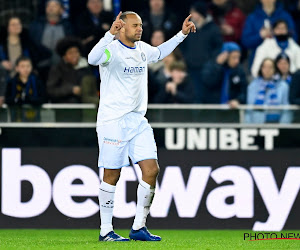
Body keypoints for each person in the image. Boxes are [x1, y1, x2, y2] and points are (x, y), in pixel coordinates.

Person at [88, 11, 196, 241]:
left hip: (137, 120)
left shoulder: (142, 49)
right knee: (112, 174)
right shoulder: (111, 50)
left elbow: (158, 53)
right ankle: (105, 230)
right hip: (113, 121)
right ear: (122, 27)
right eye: (135, 25)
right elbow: (91, 58)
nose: (140, 29)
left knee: (151, 169)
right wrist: (109, 35)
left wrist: (181, 35)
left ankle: (138, 227)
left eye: (141, 25)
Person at [180, 1, 223, 103]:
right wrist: (186, 59)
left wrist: (211, 62)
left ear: (200, 13)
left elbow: (218, 47)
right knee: (193, 97)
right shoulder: (188, 29)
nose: (191, 14)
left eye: (193, 12)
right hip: (191, 69)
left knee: (205, 96)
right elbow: (182, 45)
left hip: (206, 70)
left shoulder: (213, 29)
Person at [241, 0, 297, 66]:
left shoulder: (285, 16)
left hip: (283, 61)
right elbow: (245, 41)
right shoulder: (252, 17)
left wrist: (279, 34)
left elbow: (294, 37)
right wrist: (260, 36)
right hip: (259, 64)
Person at [29, 0, 73, 81]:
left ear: (62, 10)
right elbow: (31, 46)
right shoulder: (36, 25)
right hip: (40, 68)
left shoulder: (68, 26)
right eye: (48, 5)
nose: (51, 8)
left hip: (62, 68)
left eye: (55, 5)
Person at [47, 37, 98, 104]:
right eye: (70, 53)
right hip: (63, 108)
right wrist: (71, 90)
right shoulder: (57, 69)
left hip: (85, 108)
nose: (74, 55)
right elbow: (51, 90)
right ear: (64, 56)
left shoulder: (86, 68)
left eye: (76, 52)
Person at [200, 42, 247, 106]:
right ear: (225, 56)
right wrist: (217, 65)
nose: (237, 61)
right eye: (234, 57)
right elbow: (208, 82)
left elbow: (243, 90)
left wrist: (238, 100)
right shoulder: (211, 66)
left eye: (238, 57)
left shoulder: (239, 71)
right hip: (212, 108)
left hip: (231, 108)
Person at [245, 58, 291, 123]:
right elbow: (249, 108)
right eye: (264, 67)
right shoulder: (253, 86)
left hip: (277, 122)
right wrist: (248, 126)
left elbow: (286, 109)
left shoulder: (283, 86)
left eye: (270, 67)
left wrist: (283, 127)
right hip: (257, 123)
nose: (267, 70)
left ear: (275, 69)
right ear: (261, 69)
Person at [5, 56, 45, 121]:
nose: (26, 69)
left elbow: (43, 98)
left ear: (31, 67)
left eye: (28, 66)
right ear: (17, 68)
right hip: (16, 117)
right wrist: (18, 100)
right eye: (22, 66)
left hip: (34, 117)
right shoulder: (11, 83)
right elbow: (7, 99)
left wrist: (30, 100)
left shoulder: (37, 82)